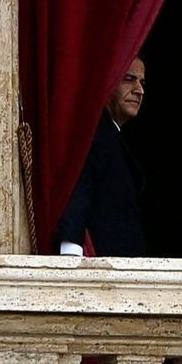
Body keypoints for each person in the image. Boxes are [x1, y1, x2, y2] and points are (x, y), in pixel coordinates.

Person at [56, 57, 149, 256]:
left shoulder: (110, 134)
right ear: (108, 81)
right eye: (129, 79)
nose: (139, 90)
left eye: (142, 82)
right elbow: (78, 186)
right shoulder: (93, 133)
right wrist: (70, 254)